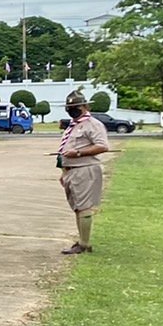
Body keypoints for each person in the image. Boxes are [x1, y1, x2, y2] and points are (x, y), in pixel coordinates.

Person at [56, 90, 110, 254]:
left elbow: (102, 146)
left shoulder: (93, 124)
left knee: (84, 207)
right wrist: (64, 172)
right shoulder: (73, 126)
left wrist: (78, 153)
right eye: (69, 108)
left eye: (76, 107)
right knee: (77, 207)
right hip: (71, 171)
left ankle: (84, 244)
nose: (72, 110)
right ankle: (81, 241)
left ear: (85, 106)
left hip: (85, 169)